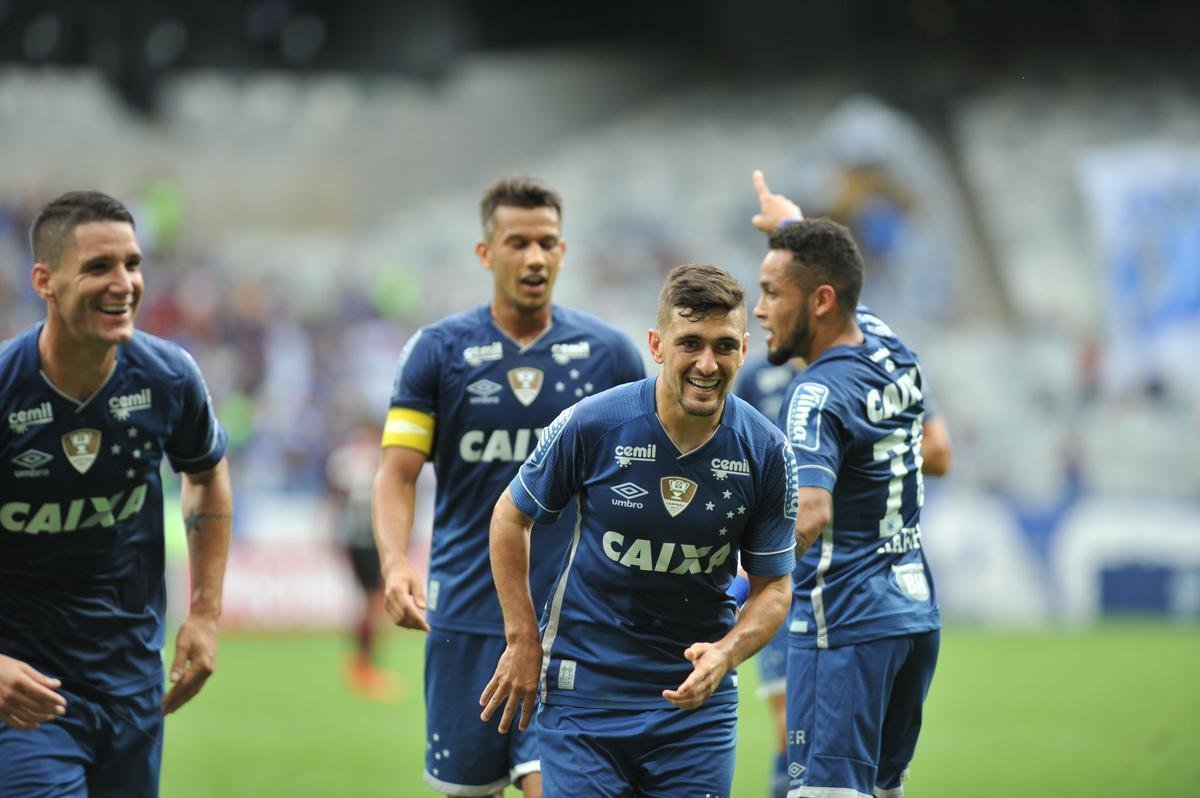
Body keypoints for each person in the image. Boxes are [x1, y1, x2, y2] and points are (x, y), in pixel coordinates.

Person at [371, 176, 644, 798]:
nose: (535, 258)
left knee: (555, 785)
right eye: (517, 242)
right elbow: (397, 472)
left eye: (547, 242)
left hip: (574, 621)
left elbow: (640, 484)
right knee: (470, 791)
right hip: (466, 614)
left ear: (564, 251)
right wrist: (393, 563)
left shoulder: (611, 357)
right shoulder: (436, 353)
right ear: (485, 252)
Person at [481, 263, 797, 797]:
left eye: (723, 346)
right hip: (585, 696)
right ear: (656, 343)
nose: (706, 363)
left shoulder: (766, 452)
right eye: (690, 342)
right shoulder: (593, 424)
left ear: (744, 348)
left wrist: (727, 652)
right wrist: (522, 638)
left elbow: (774, 588)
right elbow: (511, 516)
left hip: (695, 707)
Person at [0, 191, 232, 796]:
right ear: (45, 281)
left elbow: (206, 474)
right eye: (100, 267)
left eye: (132, 264)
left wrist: (205, 614)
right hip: (24, 699)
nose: (124, 283)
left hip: (132, 689)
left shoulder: (167, 377)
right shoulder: (4, 393)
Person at [751, 169, 942, 798]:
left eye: (772, 293)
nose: (759, 310)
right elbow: (838, 278)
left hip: (844, 621)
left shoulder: (815, 392)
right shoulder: (889, 346)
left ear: (821, 302)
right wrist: (790, 225)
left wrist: (737, 577)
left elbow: (809, 513)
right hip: (911, 613)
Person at [734, 346, 952, 798]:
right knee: (790, 728)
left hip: (844, 580)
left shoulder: (874, 375)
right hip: (780, 573)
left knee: (845, 751)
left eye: (774, 295)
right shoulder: (758, 378)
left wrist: (849, 452)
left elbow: (940, 453)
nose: (764, 310)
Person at [325, 420, 403, 702]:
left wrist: (333, 534)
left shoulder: (344, 458)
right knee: (374, 603)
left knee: (366, 603)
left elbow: (335, 498)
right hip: (371, 538)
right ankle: (365, 667)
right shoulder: (378, 458)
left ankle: (359, 662)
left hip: (351, 538)